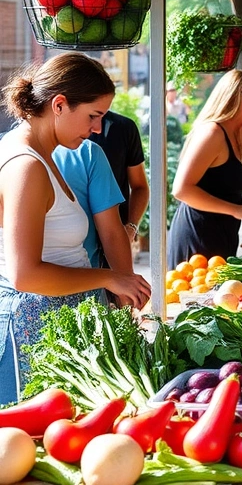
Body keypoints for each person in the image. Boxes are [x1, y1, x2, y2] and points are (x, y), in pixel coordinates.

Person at [0, 53, 150, 402]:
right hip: (31, 331)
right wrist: (110, 277)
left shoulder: (40, 154)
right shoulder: (27, 166)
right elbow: (25, 274)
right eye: (93, 116)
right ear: (60, 105)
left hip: (51, 327)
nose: (97, 128)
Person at [168, 70, 242, 265]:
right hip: (199, 235)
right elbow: (181, 190)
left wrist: (238, 210)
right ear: (236, 96)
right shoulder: (212, 133)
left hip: (219, 234)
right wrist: (237, 210)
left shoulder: (233, 133)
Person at [53, 140, 133, 275]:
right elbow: (111, 233)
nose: (97, 128)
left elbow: (112, 233)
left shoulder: (9, 149)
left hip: (88, 282)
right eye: (91, 117)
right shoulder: (88, 152)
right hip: (86, 283)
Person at [89, 110, 149, 248]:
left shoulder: (123, 127)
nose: (97, 128)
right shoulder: (56, 131)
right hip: (71, 242)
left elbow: (140, 186)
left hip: (115, 239)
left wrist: (131, 227)